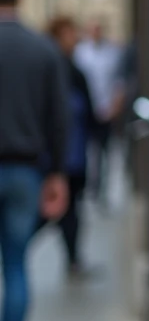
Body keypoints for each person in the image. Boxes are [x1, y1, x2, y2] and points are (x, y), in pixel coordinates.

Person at [0, 0, 69, 321]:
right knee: (16, 267)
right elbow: (60, 117)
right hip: (25, 171)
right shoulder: (42, 50)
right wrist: (57, 173)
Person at [33, 16, 98, 277]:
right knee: (55, 210)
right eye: (69, 34)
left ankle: (73, 259)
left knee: (67, 211)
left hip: (70, 154)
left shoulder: (71, 70)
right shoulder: (54, 69)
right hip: (60, 156)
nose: (74, 39)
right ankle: (72, 259)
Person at [73, 19, 126, 205]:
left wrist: (114, 107)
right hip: (88, 111)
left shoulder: (112, 53)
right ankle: (92, 188)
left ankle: (103, 189)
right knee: (90, 152)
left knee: (107, 152)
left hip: (106, 111)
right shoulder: (81, 53)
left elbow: (118, 83)